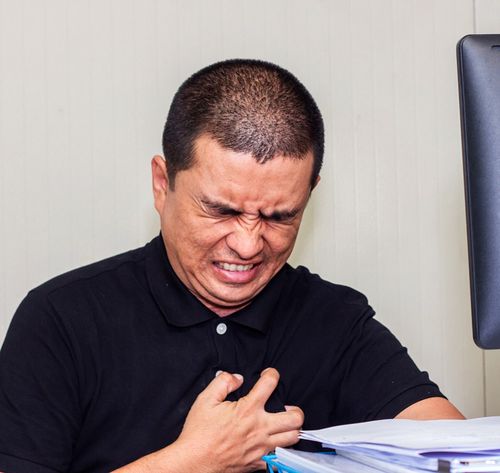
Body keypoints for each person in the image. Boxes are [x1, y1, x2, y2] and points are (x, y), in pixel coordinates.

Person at [0, 59, 463, 473]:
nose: (247, 245)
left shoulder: (335, 320)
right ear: (163, 185)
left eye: (279, 216)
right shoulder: (61, 319)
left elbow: (454, 448)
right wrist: (193, 460)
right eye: (220, 211)